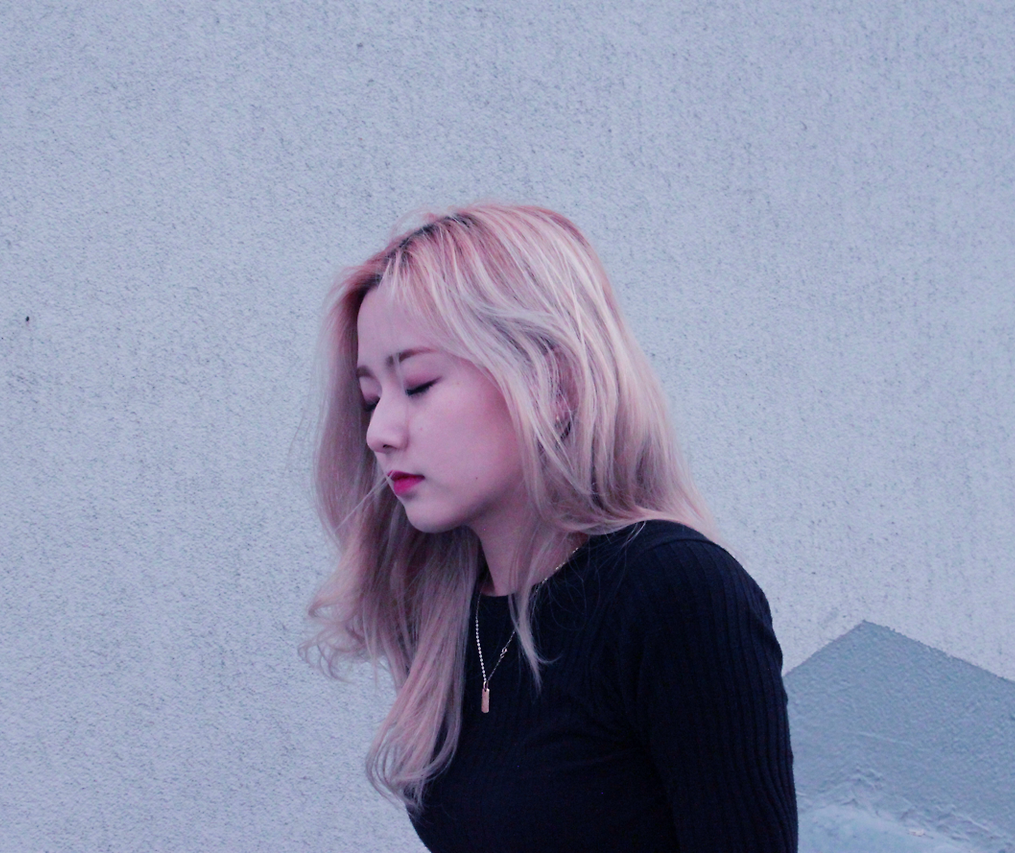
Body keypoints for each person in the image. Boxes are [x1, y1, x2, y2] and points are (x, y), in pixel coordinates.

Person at [305, 204, 796, 851]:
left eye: (417, 384)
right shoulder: (452, 612)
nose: (379, 432)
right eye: (372, 398)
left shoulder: (675, 592)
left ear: (554, 383)